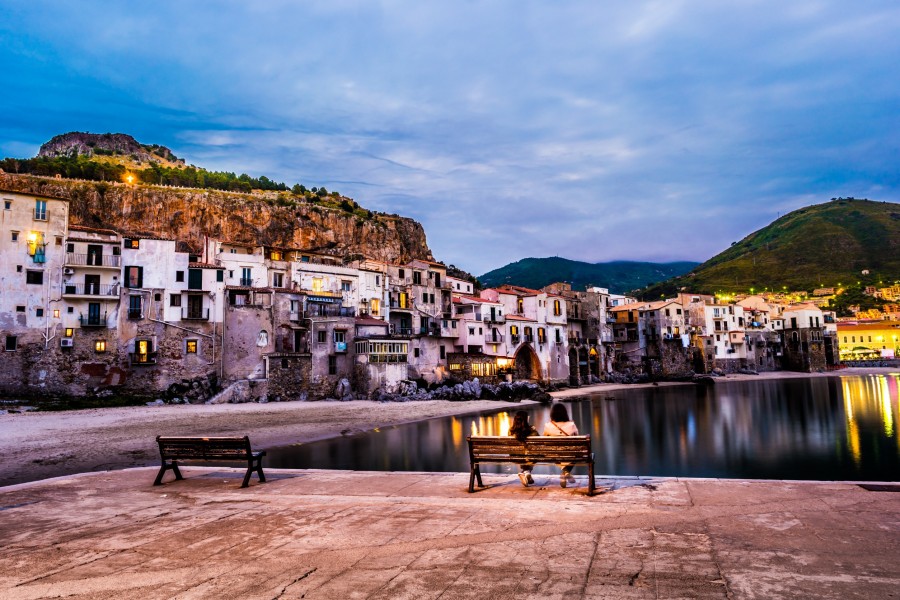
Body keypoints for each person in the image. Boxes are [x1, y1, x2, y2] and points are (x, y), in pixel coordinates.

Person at [542, 403, 579, 488]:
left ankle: (565, 472)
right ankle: (566, 471)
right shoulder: (571, 425)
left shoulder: (548, 426)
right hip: (569, 454)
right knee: (578, 453)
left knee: (557, 452)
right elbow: (577, 439)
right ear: (565, 413)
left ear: (552, 414)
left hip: (553, 454)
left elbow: (544, 439)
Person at [508, 410, 538, 487]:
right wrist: (533, 429)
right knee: (532, 455)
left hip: (515, 457)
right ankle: (527, 472)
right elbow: (538, 443)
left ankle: (526, 472)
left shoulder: (511, 431)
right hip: (529, 457)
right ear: (525, 420)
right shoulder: (531, 431)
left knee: (525, 454)